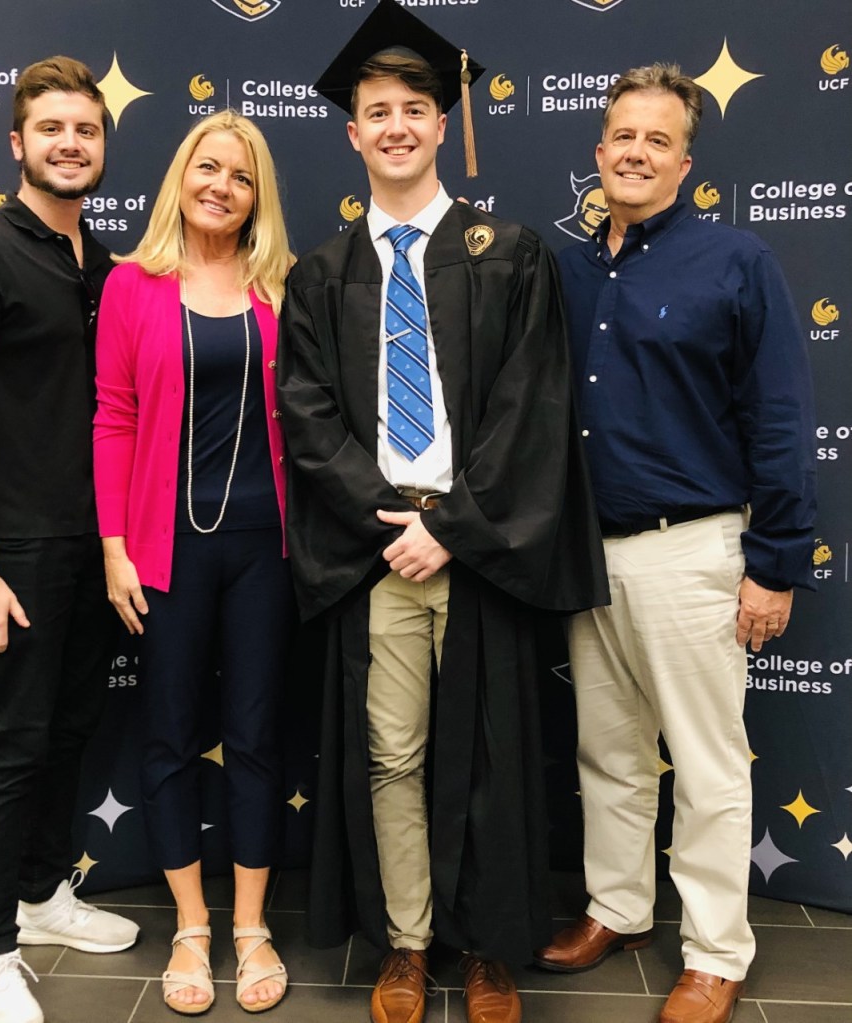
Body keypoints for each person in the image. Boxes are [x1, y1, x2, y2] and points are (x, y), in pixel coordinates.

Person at [277, 4, 609, 1023]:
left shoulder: (507, 253)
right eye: (377, 112)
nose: (396, 127)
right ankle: (410, 942)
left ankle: (489, 947)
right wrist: (389, 521)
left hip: (478, 546)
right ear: (353, 133)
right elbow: (307, 415)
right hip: (377, 551)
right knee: (391, 756)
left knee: (495, 756)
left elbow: (529, 408)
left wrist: (452, 527)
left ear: (441, 123)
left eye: (414, 109)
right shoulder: (322, 274)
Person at [532, 65, 817, 1023]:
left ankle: (715, 951)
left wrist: (774, 563)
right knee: (608, 753)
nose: (636, 153)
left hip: (692, 551)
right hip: (587, 553)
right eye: (623, 136)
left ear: (685, 163)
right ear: (597, 151)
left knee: (704, 765)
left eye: (658, 140)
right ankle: (617, 907)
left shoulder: (736, 261)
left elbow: (780, 418)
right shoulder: (562, 270)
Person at [0, 56, 138, 1023]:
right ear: (17, 143)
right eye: (51, 128)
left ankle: (43, 895)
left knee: (69, 729)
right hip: (14, 552)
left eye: (85, 129)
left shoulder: (107, 266)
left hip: (97, 548)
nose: (70, 144)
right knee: (11, 746)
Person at [93, 109, 294, 1017]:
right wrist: (114, 546)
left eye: (241, 177)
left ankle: (250, 924)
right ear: (182, 176)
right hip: (164, 547)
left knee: (254, 735)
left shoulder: (280, 284)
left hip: (265, 549)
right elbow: (113, 417)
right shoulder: (132, 284)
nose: (221, 186)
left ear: (257, 198)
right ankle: (190, 924)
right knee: (169, 735)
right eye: (208, 168)